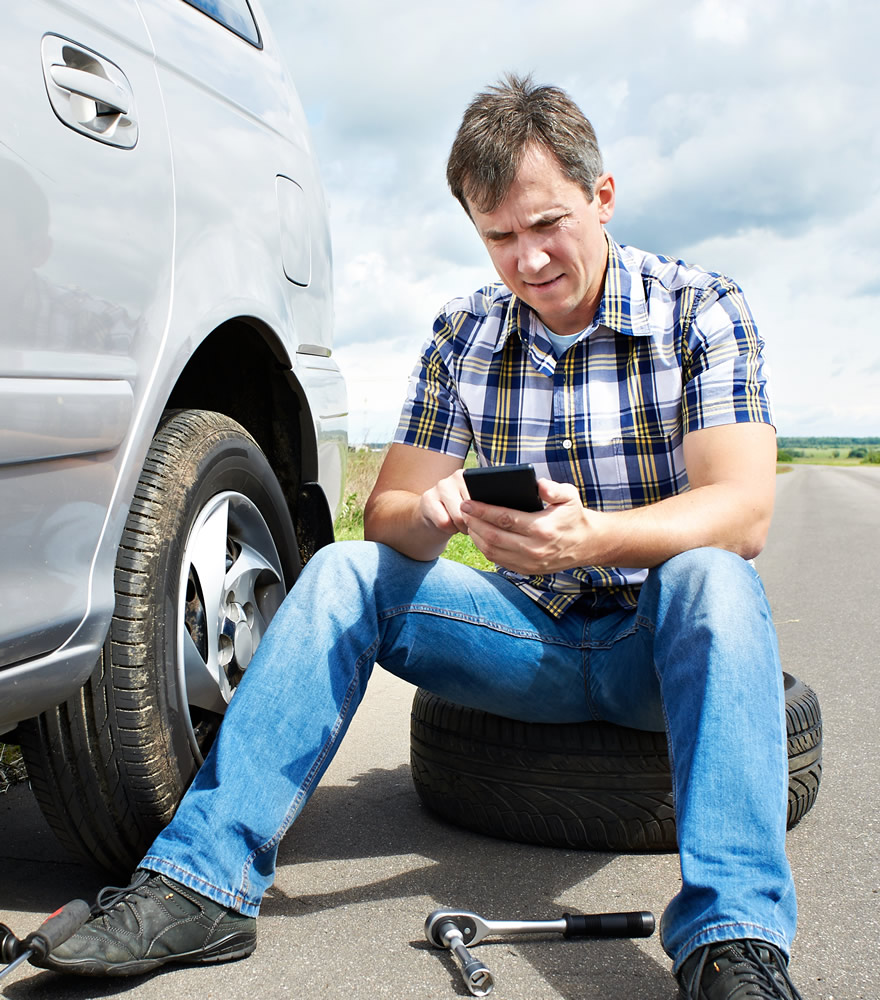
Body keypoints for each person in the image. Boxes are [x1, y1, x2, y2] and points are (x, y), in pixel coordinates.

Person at [36, 74, 804, 1000]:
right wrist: (434, 515)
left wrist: (590, 539)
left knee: (712, 581)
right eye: (499, 238)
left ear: (602, 197)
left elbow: (742, 511)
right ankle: (202, 884)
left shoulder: (701, 309)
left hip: (655, 642)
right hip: (527, 639)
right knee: (348, 570)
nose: (527, 260)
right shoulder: (464, 333)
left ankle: (731, 944)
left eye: (547, 223)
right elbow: (390, 514)